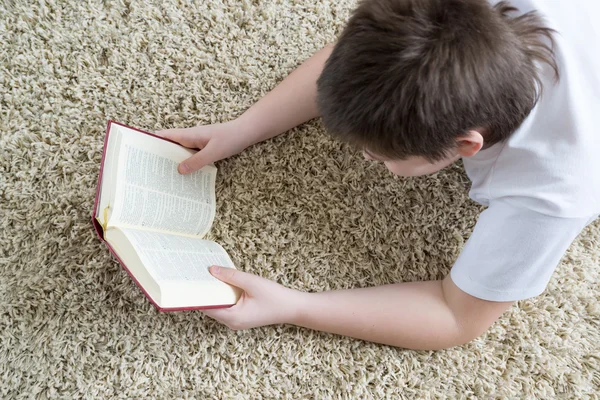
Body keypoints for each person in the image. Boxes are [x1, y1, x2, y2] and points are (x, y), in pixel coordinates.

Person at [157, 0, 600, 350]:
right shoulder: (432, 15)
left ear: (466, 146)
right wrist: (244, 127)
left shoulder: (550, 191)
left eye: (378, 154)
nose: (366, 158)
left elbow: (455, 317)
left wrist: (296, 306)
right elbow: (354, 56)